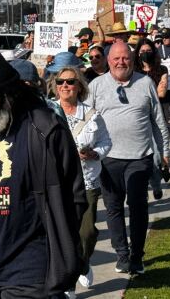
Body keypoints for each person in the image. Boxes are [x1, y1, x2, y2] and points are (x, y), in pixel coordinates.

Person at [0, 45, 86, 298]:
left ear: (9, 93)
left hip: (31, 265)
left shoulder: (45, 129)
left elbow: (74, 195)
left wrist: (60, 240)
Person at [87, 41, 169, 275]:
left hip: (139, 157)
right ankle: (122, 255)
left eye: (125, 58)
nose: (121, 62)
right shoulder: (96, 86)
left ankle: (137, 256)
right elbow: (86, 120)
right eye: (116, 58)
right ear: (108, 61)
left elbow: (158, 121)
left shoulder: (145, 83)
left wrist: (165, 153)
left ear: (132, 60)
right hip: (108, 158)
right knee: (113, 208)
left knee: (138, 206)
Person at [48, 65, 111, 293]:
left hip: (86, 180)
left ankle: (83, 262)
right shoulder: (48, 111)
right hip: (57, 182)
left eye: (70, 82)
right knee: (62, 234)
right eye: (61, 82)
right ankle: (69, 281)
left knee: (87, 232)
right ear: (55, 86)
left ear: (79, 86)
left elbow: (106, 142)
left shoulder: (92, 114)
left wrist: (94, 153)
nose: (65, 85)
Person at [136, 38, 169, 200]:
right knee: (141, 157)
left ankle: (156, 184)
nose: (145, 54)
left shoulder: (161, 69)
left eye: (148, 51)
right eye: (142, 51)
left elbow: (162, 93)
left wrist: (144, 94)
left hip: (156, 115)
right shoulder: (134, 72)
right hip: (139, 116)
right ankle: (143, 189)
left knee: (156, 156)